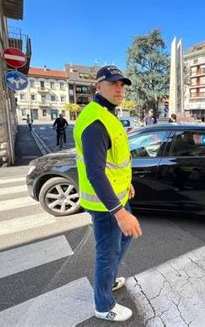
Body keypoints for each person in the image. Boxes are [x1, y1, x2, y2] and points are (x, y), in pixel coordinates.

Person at [73, 65, 142, 322]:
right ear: (98, 87)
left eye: (122, 84)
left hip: (118, 195)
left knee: (124, 241)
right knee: (107, 253)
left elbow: (115, 161)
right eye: (113, 83)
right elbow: (95, 172)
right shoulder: (95, 121)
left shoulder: (106, 114)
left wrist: (126, 185)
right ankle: (103, 306)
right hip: (105, 206)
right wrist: (119, 212)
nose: (119, 88)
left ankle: (110, 280)